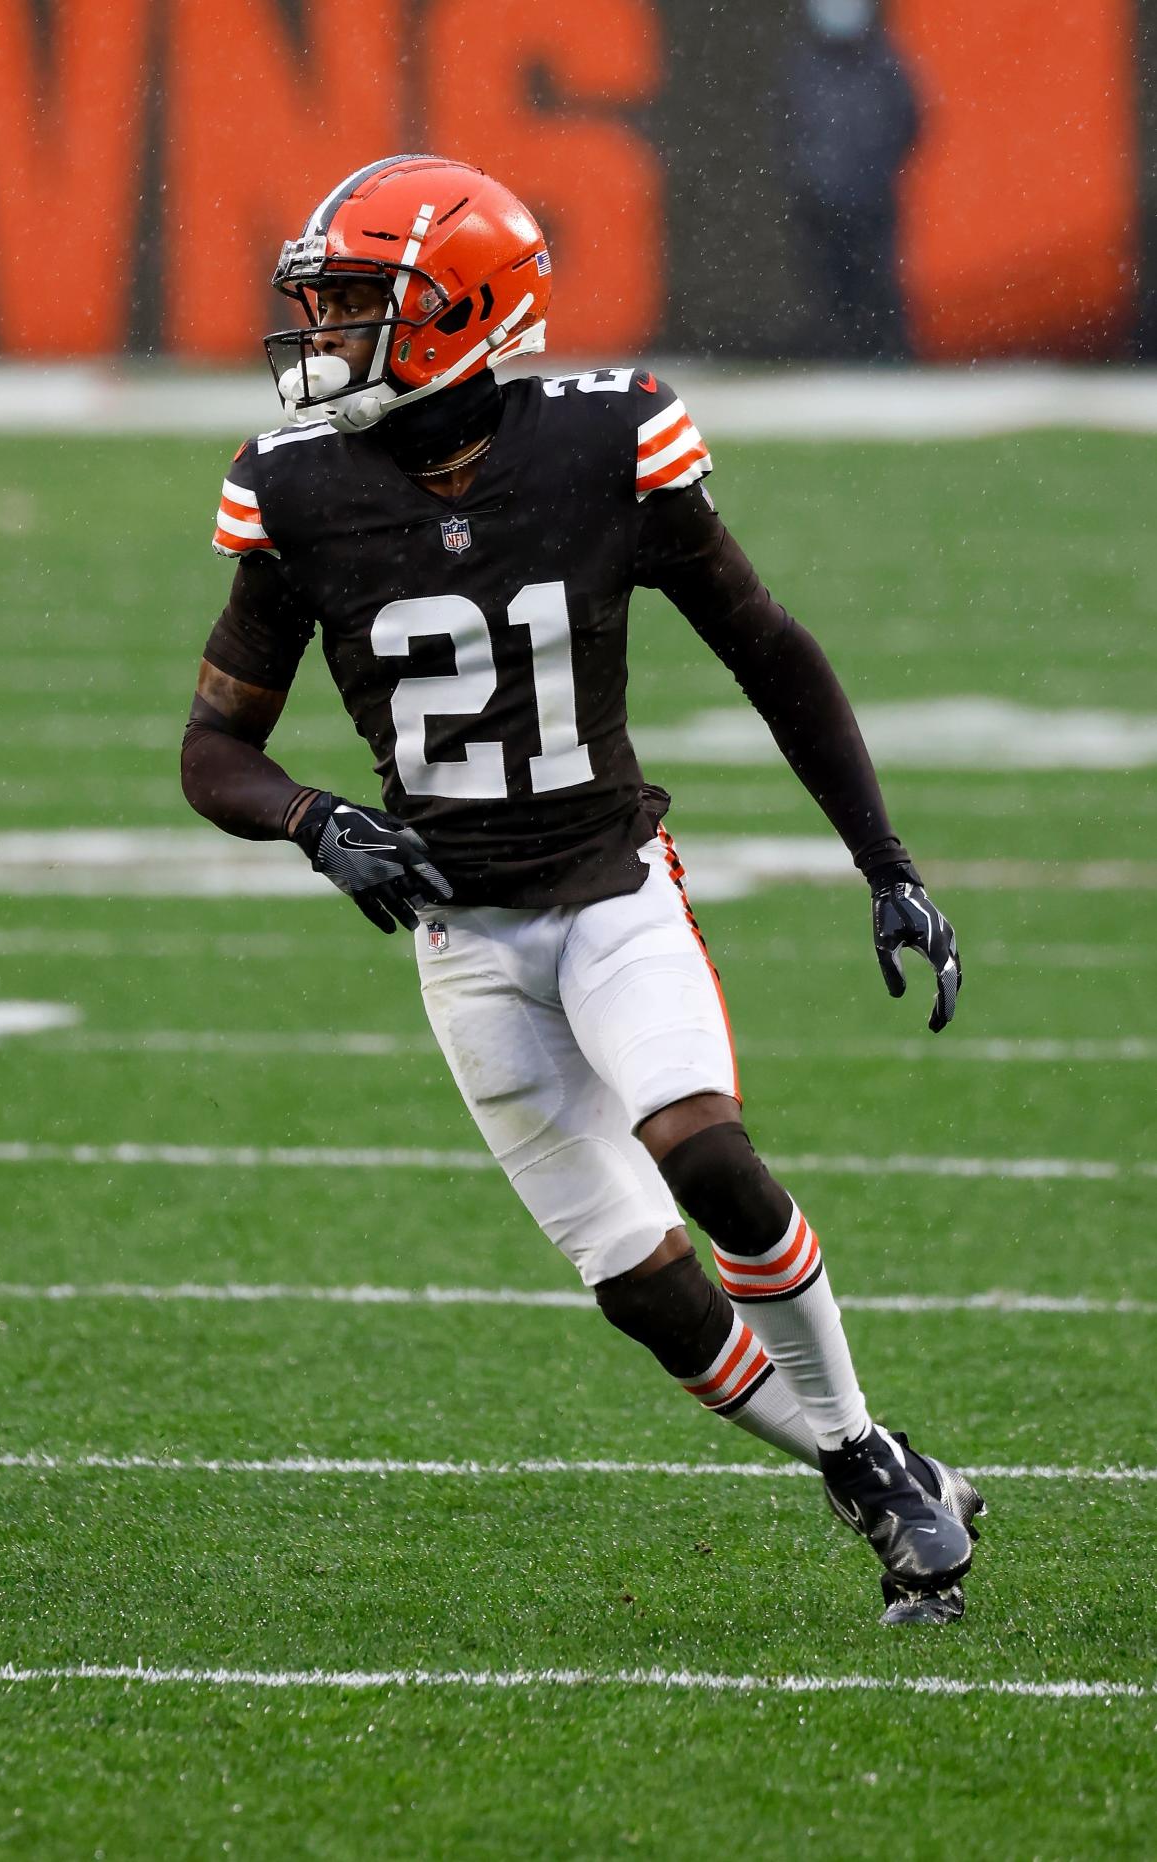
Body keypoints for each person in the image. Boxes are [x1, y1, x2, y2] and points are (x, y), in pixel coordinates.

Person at [181, 154, 983, 1627]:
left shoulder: (603, 442)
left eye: (362, 302)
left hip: (611, 885)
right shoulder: (295, 490)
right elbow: (212, 746)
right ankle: (867, 1459)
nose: (325, 334)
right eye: (324, 301)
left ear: (464, 313)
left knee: (703, 1148)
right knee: (636, 1279)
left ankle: (867, 1456)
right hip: (461, 938)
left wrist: (885, 862)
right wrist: (310, 819)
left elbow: (767, 647)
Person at [785, 0, 921, 359]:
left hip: (872, 200)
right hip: (820, 203)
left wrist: (877, 170)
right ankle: (838, 356)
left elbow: (910, 122)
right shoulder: (806, 66)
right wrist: (808, 176)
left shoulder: (884, 65)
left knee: (877, 285)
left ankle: (887, 356)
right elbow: (790, 128)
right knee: (829, 287)